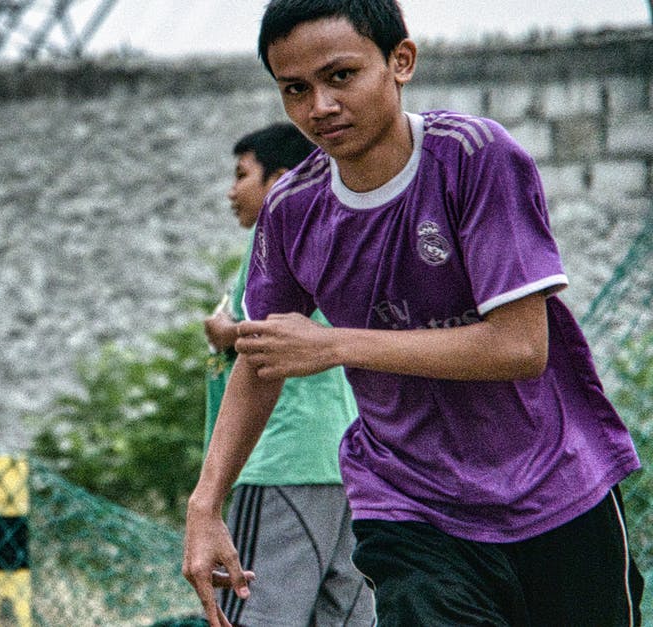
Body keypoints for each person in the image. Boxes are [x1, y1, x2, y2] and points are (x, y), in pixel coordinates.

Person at [181, 1, 645, 626]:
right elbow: (261, 360)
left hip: (555, 490)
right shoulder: (292, 209)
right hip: (409, 506)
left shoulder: (475, 158)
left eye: (340, 76)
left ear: (400, 62)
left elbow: (518, 347)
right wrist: (205, 506)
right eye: (296, 89)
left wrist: (338, 344)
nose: (319, 106)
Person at [202, 123, 373, 626]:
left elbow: (270, 338)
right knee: (344, 615)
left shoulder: (275, 233)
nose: (232, 191)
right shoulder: (339, 226)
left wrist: (224, 333)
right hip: (345, 460)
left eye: (242, 176)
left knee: (253, 615)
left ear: (280, 181)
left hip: (281, 460)